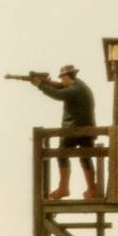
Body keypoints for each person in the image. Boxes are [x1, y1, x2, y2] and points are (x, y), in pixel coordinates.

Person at [19, 63, 104, 202]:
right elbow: (59, 88)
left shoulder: (75, 89)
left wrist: (40, 85)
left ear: (67, 77)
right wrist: (46, 83)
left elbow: (57, 94)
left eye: (62, 78)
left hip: (73, 129)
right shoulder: (79, 86)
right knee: (85, 157)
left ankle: (64, 187)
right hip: (85, 128)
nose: (60, 81)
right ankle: (91, 188)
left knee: (61, 155)